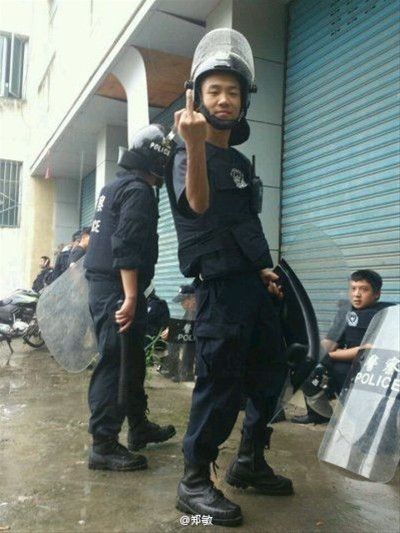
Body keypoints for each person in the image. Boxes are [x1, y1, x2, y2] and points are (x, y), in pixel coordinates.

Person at [165, 29, 293, 527]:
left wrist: (263, 268)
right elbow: (198, 206)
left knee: (271, 375)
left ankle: (249, 461)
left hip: (251, 288)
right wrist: (195, 144)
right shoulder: (186, 154)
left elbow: (243, 224)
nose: (224, 99)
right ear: (197, 97)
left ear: (243, 102)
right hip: (218, 291)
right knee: (219, 386)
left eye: (233, 92)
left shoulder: (239, 161)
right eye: (214, 90)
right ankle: (193, 482)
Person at [83, 124, 176, 472]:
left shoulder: (113, 186)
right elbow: (125, 244)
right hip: (117, 289)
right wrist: (132, 296)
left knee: (133, 358)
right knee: (115, 361)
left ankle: (138, 426)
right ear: (157, 161)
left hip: (107, 285)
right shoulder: (138, 191)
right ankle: (103, 445)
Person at [292, 269, 393, 424]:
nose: (356, 294)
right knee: (308, 366)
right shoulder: (345, 311)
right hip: (344, 359)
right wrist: (311, 350)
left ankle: (365, 421)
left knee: (340, 371)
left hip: (369, 365)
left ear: (377, 294)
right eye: (353, 288)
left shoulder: (384, 313)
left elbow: (368, 349)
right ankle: (318, 413)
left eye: (364, 289)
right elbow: (331, 342)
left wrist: (331, 355)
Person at [161, 283, 197, 382]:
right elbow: (183, 325)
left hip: (201, 340)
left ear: (193, 298)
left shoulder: (202, 310)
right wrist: (171, 330)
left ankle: (186, 372)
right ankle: (173, 369)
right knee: (173, 339)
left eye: (183, 301)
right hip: (193, 337)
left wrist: (174, 331)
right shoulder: (189, 311)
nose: (182, 305)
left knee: (187, 342)